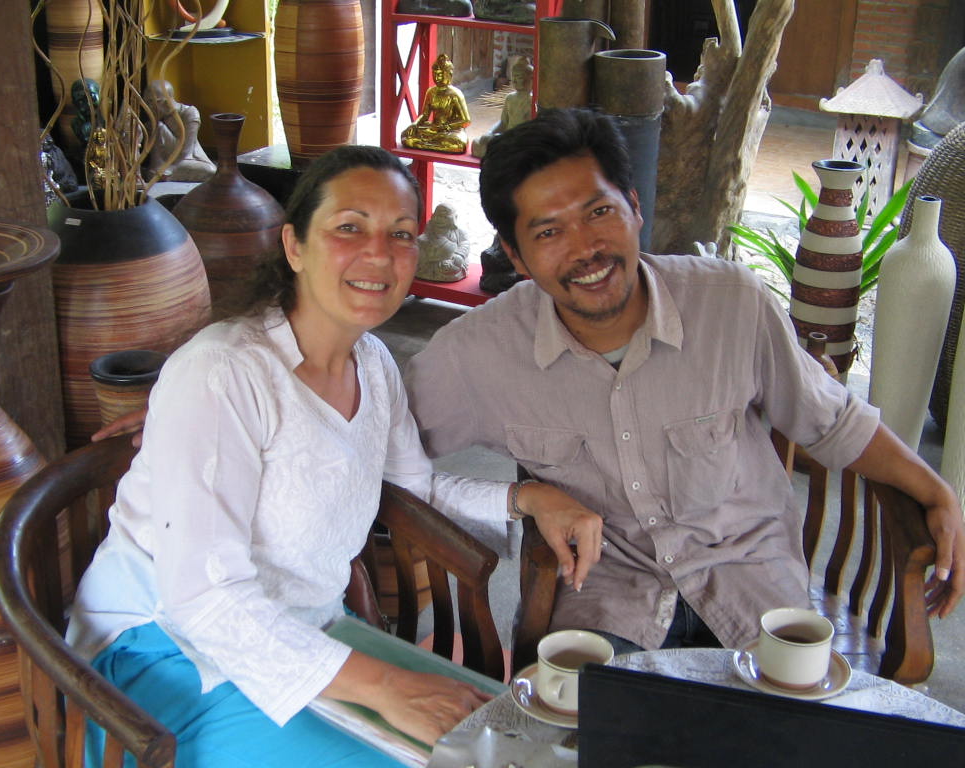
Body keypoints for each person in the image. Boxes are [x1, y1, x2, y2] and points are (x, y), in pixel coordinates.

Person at [404, 107, 965, 654]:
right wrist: (522, 497)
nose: (585, 248)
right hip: (607, 598)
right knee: (586, 715)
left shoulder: (733, 304)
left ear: (634, 207)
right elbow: (382, 455)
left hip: (753, 585)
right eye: (549, 231)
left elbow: (834, 422)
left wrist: (935, 490)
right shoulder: (479, 353)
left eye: (599, 211)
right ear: (516, 256)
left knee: (784, 717)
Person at [69, 145, 553, 768]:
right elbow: (204, 597)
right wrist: (387, 686)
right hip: (168, 652)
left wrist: (527, 499)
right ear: (294, 246)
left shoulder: (373, 365)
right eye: (349, 227)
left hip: (307, 630)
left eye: (401, 234)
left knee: (509, 747)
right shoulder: (223, 373)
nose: (379, 253)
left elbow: (415, 490)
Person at [142, 78, 216, 182]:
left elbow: (186, 153)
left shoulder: (190, 113)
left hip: (186, 158)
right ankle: (163, 174)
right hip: (165, 163)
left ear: (166, 101)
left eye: (152, 103)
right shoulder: (157, 120)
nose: (149, 108)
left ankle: (165, 176)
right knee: (157, 127)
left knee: (210, 170)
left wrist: (168, 169)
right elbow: (156, 161)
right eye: (147, 103)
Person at [401, 54, 471, 154]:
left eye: (440, 75)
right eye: (435, 74)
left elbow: (466, 121)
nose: (437, 78)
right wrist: (414, 124)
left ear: (449, 74)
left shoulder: (455, 94)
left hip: (451, 131)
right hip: (433, 128)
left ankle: (426, 143)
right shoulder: (431, 92)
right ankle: (432, 143)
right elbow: (425, 115)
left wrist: (445, 127)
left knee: (458, 144)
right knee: (406, 136)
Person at [471, 57, 533, 159]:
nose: (514, 80)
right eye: (513, 77)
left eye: (519, 77)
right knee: (480, 141)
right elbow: (503, 122)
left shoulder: (531, 101)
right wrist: (490, 133)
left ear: (529, 80)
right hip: (507, 136)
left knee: (499, 145)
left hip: (520, 139)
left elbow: (529, 129)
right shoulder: (510, 98)